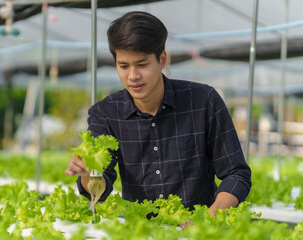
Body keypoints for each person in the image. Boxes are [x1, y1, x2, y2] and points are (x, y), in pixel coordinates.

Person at [65, 11, 251, 217]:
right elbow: (100, 188)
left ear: (162, 60)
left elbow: (236, 173)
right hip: (140, 231)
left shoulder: (203, 100)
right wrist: (90, 172)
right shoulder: (105, 113)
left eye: (142, 65)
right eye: (123, 66)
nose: (133, 76)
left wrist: (208, 220)